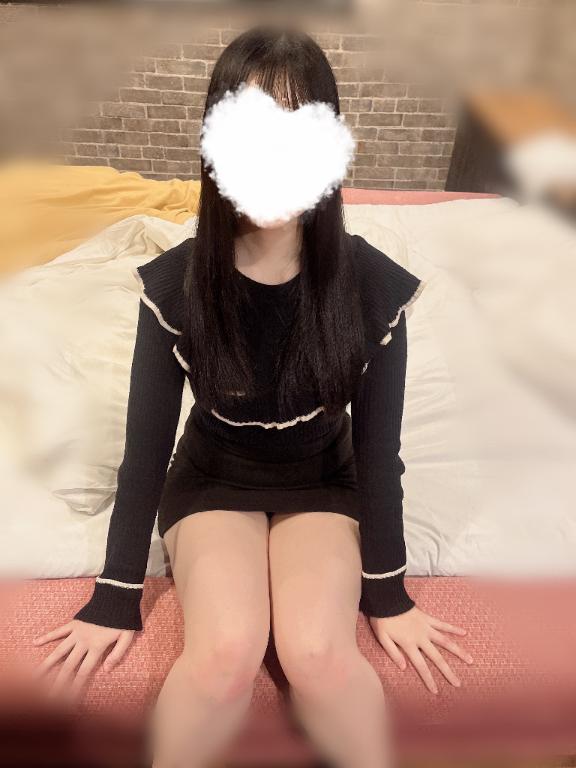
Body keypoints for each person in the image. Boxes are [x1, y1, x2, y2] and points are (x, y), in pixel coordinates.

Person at [33, 25, 473, 768]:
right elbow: (145, 452)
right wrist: (115, 593)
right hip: (214, 477)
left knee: (318, 653)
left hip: (320, 480)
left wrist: (389, 593)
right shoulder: (176, 285)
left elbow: (378, 455)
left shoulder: (371, 286)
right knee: (225, 650)